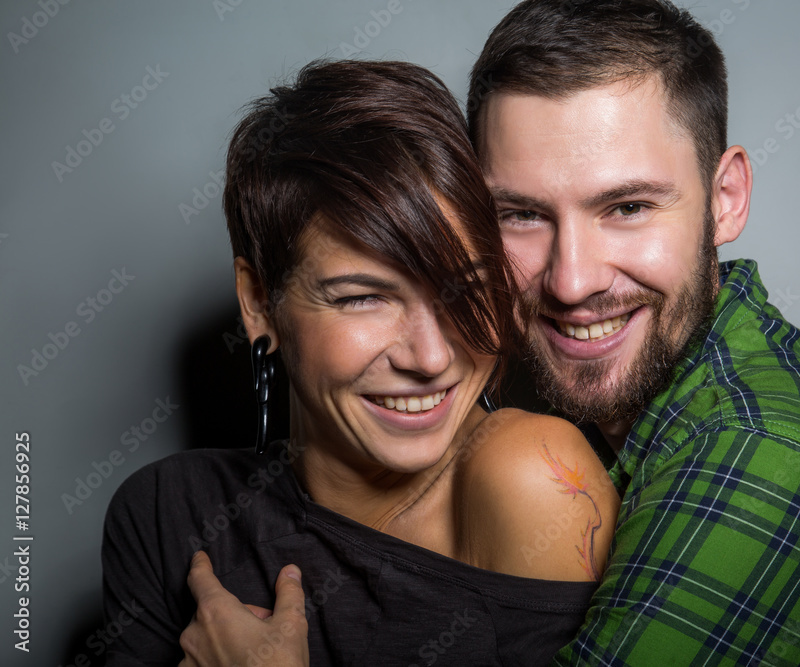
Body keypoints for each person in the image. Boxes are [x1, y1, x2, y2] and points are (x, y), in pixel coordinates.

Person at [464, 0, 800, 664]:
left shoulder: (770, 453)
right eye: (522, 215)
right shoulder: (563, 397)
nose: (571, 281)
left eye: (627, 207)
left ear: (726, 199)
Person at [100, 59, 619, 666]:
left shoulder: (528, 479)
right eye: (364, 298)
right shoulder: (165, 512)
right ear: (258, 302)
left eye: (465, 290)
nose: (431, 357)